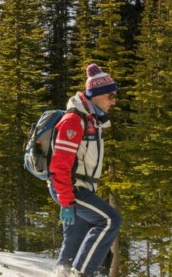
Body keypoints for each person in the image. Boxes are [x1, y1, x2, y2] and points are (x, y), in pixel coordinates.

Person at [49, 63, 122, 277]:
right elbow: (59, 165)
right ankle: (82, 274)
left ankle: (63, 272)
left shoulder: (91, 120)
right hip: (71, 188)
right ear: (96, 94)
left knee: (74, 242)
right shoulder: (74, 120)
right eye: (110, 95)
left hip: (78, 188)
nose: (113, 101)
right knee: (110, 220)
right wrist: (66, 200)